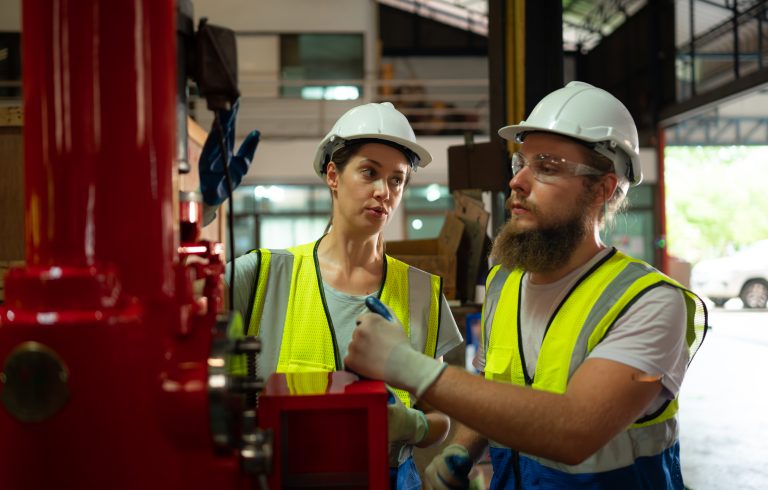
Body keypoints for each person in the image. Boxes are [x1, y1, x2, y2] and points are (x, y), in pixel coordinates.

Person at [345, 82, 708, 489]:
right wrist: (463, 449)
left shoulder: (648, 302)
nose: (518, 182)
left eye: (548, 167)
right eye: (521, 164)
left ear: (602, 190)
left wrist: (406, 365)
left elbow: (575, 431)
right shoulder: (505, 281)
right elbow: (497, 387)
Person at [224, 102, 463, 490]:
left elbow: (440, 419)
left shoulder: (421, 292)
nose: (383, 191)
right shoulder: (263, 275)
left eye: (397, 180)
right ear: (333, 175)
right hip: (288, 476)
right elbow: (168, 300)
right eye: (369, 172)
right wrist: (201, 209)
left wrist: (413, 425)